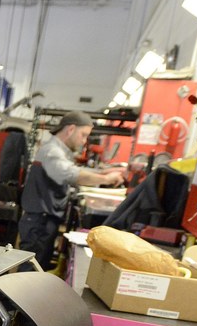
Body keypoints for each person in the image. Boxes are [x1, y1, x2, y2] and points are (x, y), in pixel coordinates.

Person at [18, 110, 126, 271]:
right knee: (29, 272)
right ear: (70, 129)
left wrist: (102, 173)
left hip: (44, 219)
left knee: (37, 269)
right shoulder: (52, 151)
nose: (84, 141)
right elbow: (70, 174)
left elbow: (72, 169)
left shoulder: (59, 151)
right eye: (83, 135)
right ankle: (12, 297)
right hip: (39, 222)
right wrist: (105, 179)